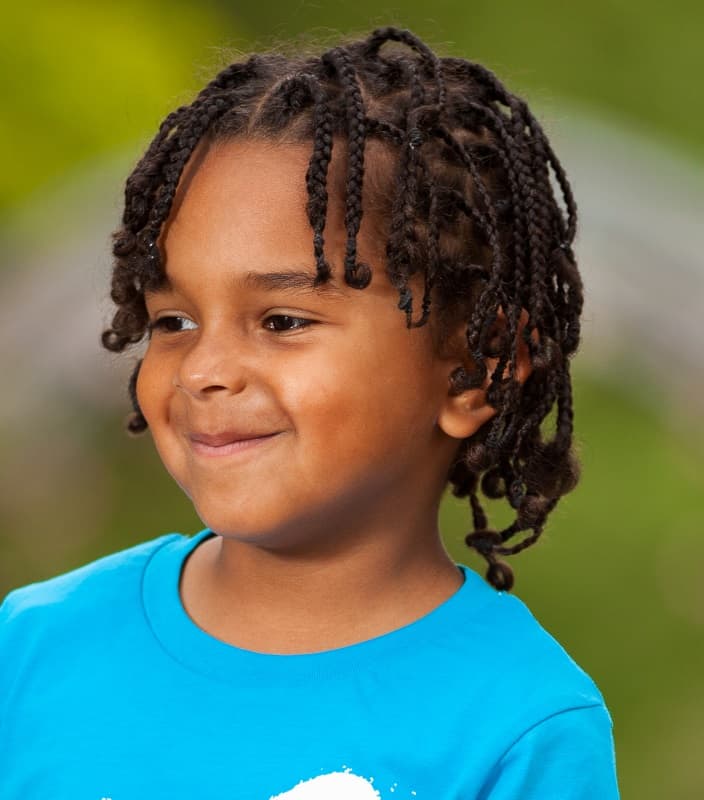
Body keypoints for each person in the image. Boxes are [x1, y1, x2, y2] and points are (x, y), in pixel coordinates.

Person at [0, 27, 620, 799]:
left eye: (283, 321)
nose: (203, 371)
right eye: (173, 322)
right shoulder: (30, 647)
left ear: (473, 370)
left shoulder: (522, 725)